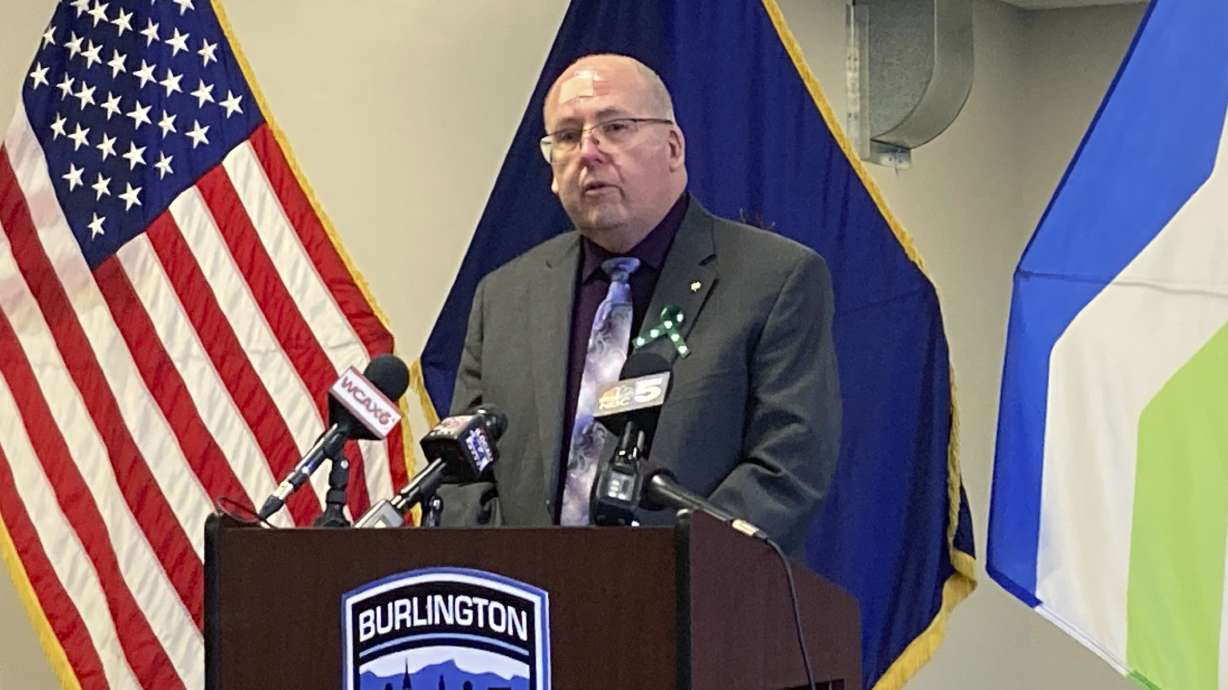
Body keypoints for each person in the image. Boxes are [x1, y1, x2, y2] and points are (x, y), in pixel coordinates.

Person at [440, 53, 840, 553]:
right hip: (528, 614)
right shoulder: (503, 296)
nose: (589, 151)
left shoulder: (773, 279)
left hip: (689, 606)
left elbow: (788, 469)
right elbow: (461, 470)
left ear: (673, 147)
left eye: (616, 126)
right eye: (566, 136)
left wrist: (646, 578)